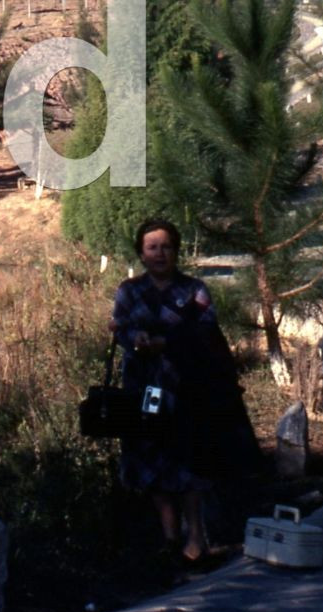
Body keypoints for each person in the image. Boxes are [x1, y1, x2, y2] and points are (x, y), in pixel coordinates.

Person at [109, 218, 259, 563]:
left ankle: (196, 537)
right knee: (149, 459)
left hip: (188, 389)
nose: (160, 254)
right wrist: (136, 339)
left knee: (190, 461)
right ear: (141, 253)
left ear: (176, 251)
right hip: (142, 389)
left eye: (166, 246)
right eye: (152, 247)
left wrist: (165, 342)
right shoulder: (128, 291)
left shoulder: (195, 290)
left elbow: (206, 333)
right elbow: (120, 328)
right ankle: (169, 537)